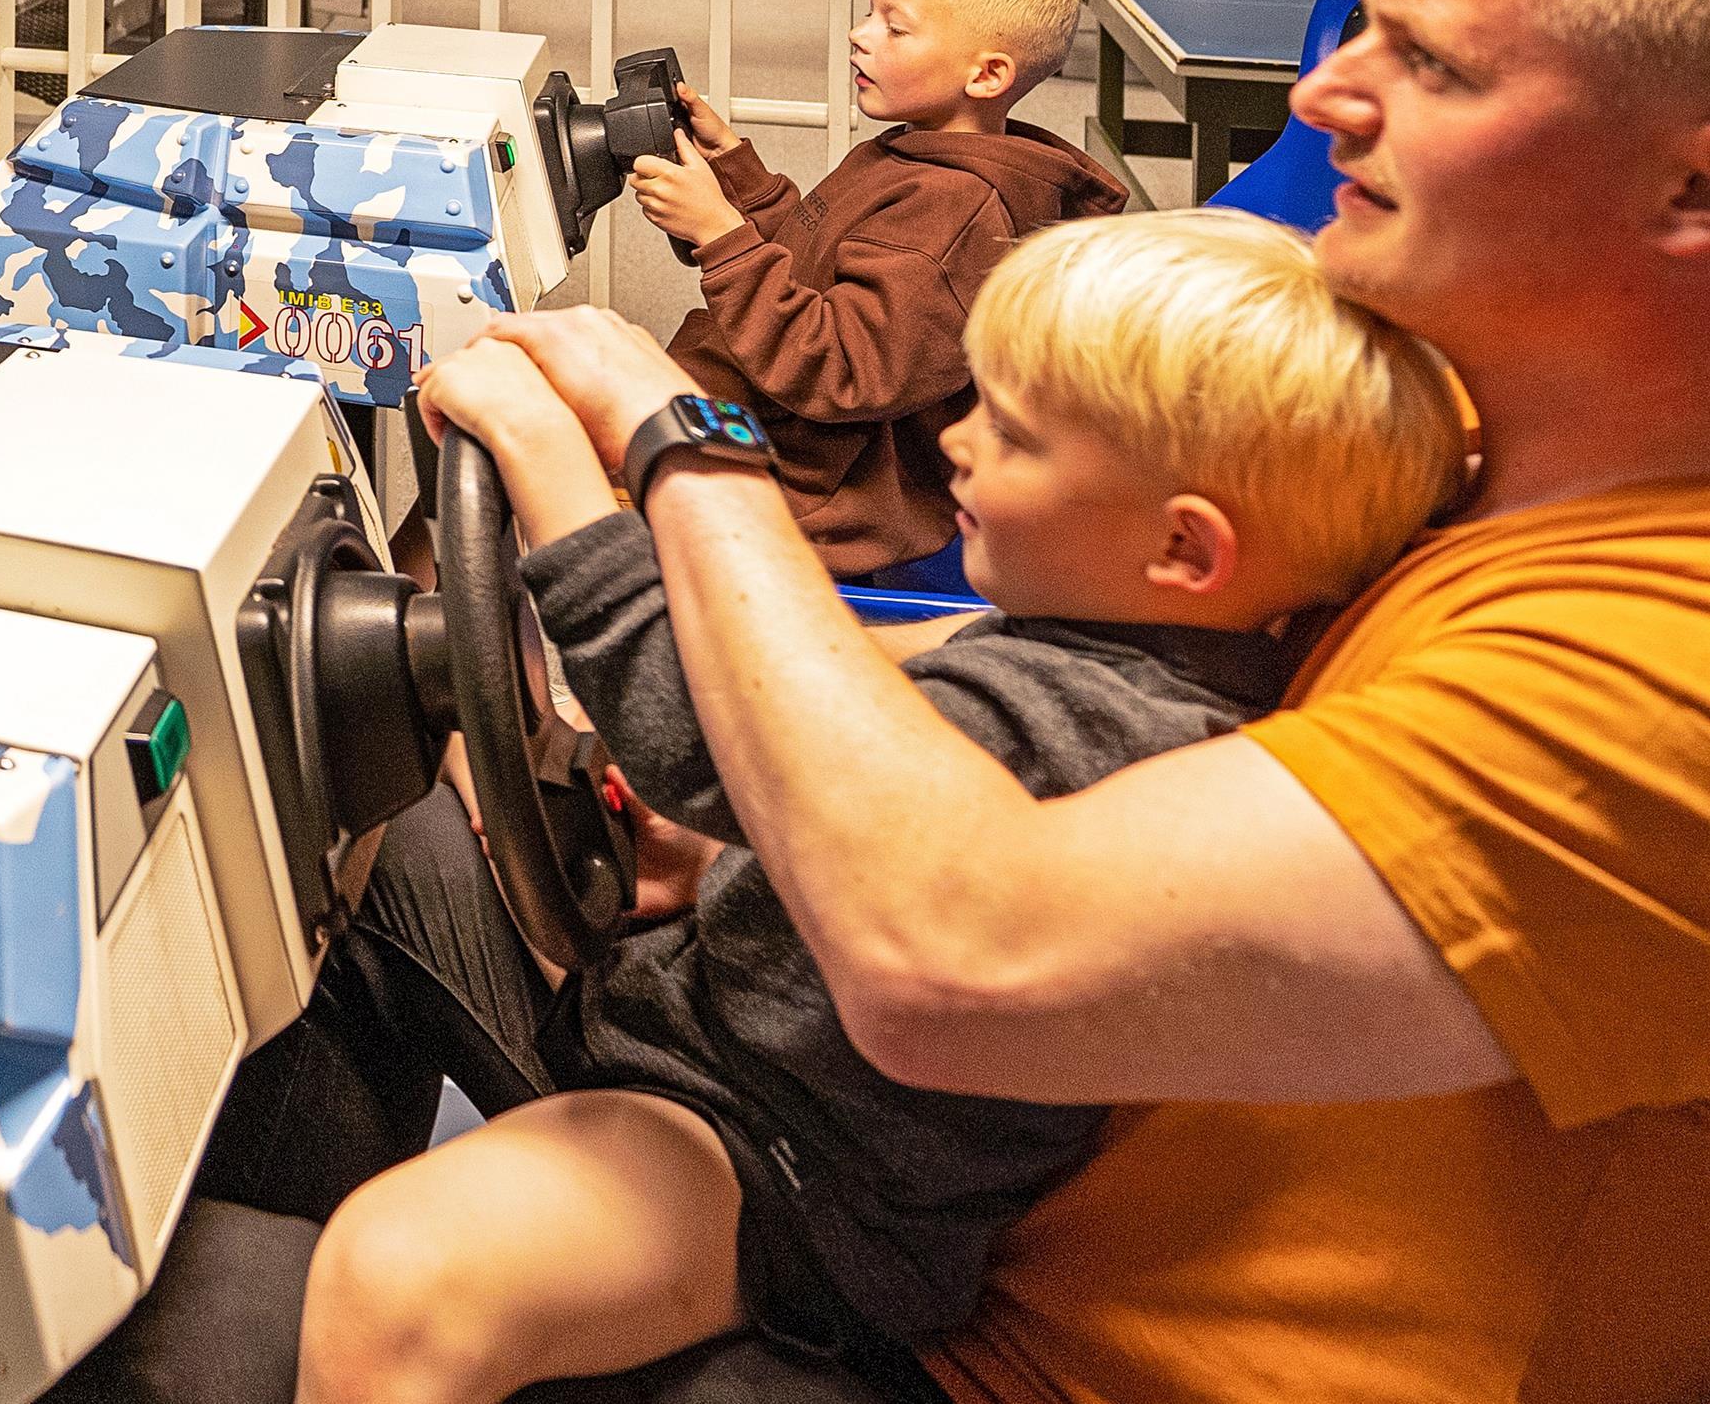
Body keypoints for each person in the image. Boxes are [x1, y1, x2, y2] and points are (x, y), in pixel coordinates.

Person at [433, 0, 1710, 1402]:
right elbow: (1114, 695)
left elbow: (945, 956)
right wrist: (769, 794)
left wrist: (671, 442)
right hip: (969, 1219)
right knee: (392, 857)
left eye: (1432, 64)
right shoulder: (1460, 444)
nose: (1321, 92)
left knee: (313, 1293)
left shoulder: (1657, 656)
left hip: (993, 1338)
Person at [293, 212, 1466, 1404]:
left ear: (1181, 549)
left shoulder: (1092, 726)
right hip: (703, 1021)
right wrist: (720, 865)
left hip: (778, 1158)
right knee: (385, 834)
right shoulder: (1103, 643)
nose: (954, 440)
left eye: (1012, 434)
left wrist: (544, 455)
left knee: (397, 1280)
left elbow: (702, 728)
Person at [624, 0, 1124, 578]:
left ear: (985, 75)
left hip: (814, 494)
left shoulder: (952, 211)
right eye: (869, 13)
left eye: (895, 27)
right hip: (775, 426)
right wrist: (735, 175)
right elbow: (817, 265)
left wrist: (721, 236)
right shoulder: (919, 153)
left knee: (551, 432)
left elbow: (839, 368)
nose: (859, 35)